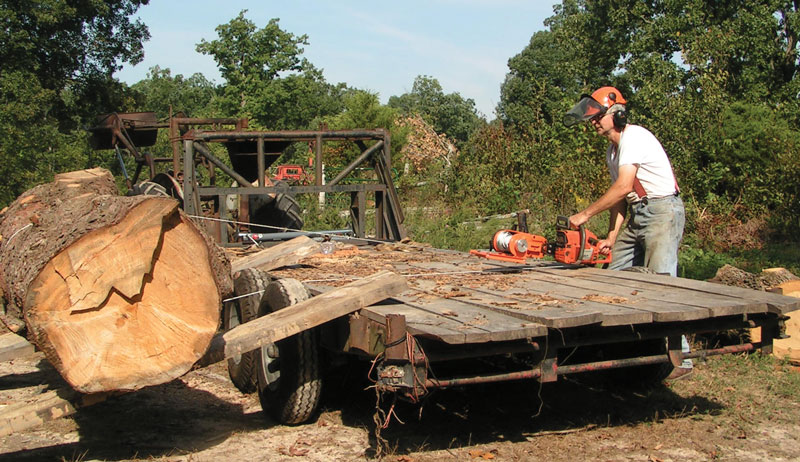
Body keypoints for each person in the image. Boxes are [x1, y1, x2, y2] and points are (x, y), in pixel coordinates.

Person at [563, 86, 692, 379]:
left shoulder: (634, 137)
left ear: (618, 114)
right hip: (639, 214)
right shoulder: (613, 151)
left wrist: (584, 215)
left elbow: (622, 187)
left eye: (599, 117)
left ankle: (681, 358)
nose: (594, 122)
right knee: (615, 276)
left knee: (662, 284)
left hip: (662, 211)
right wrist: (611, 236)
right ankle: (624, 346)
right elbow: (620, 198)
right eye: (592, 118)